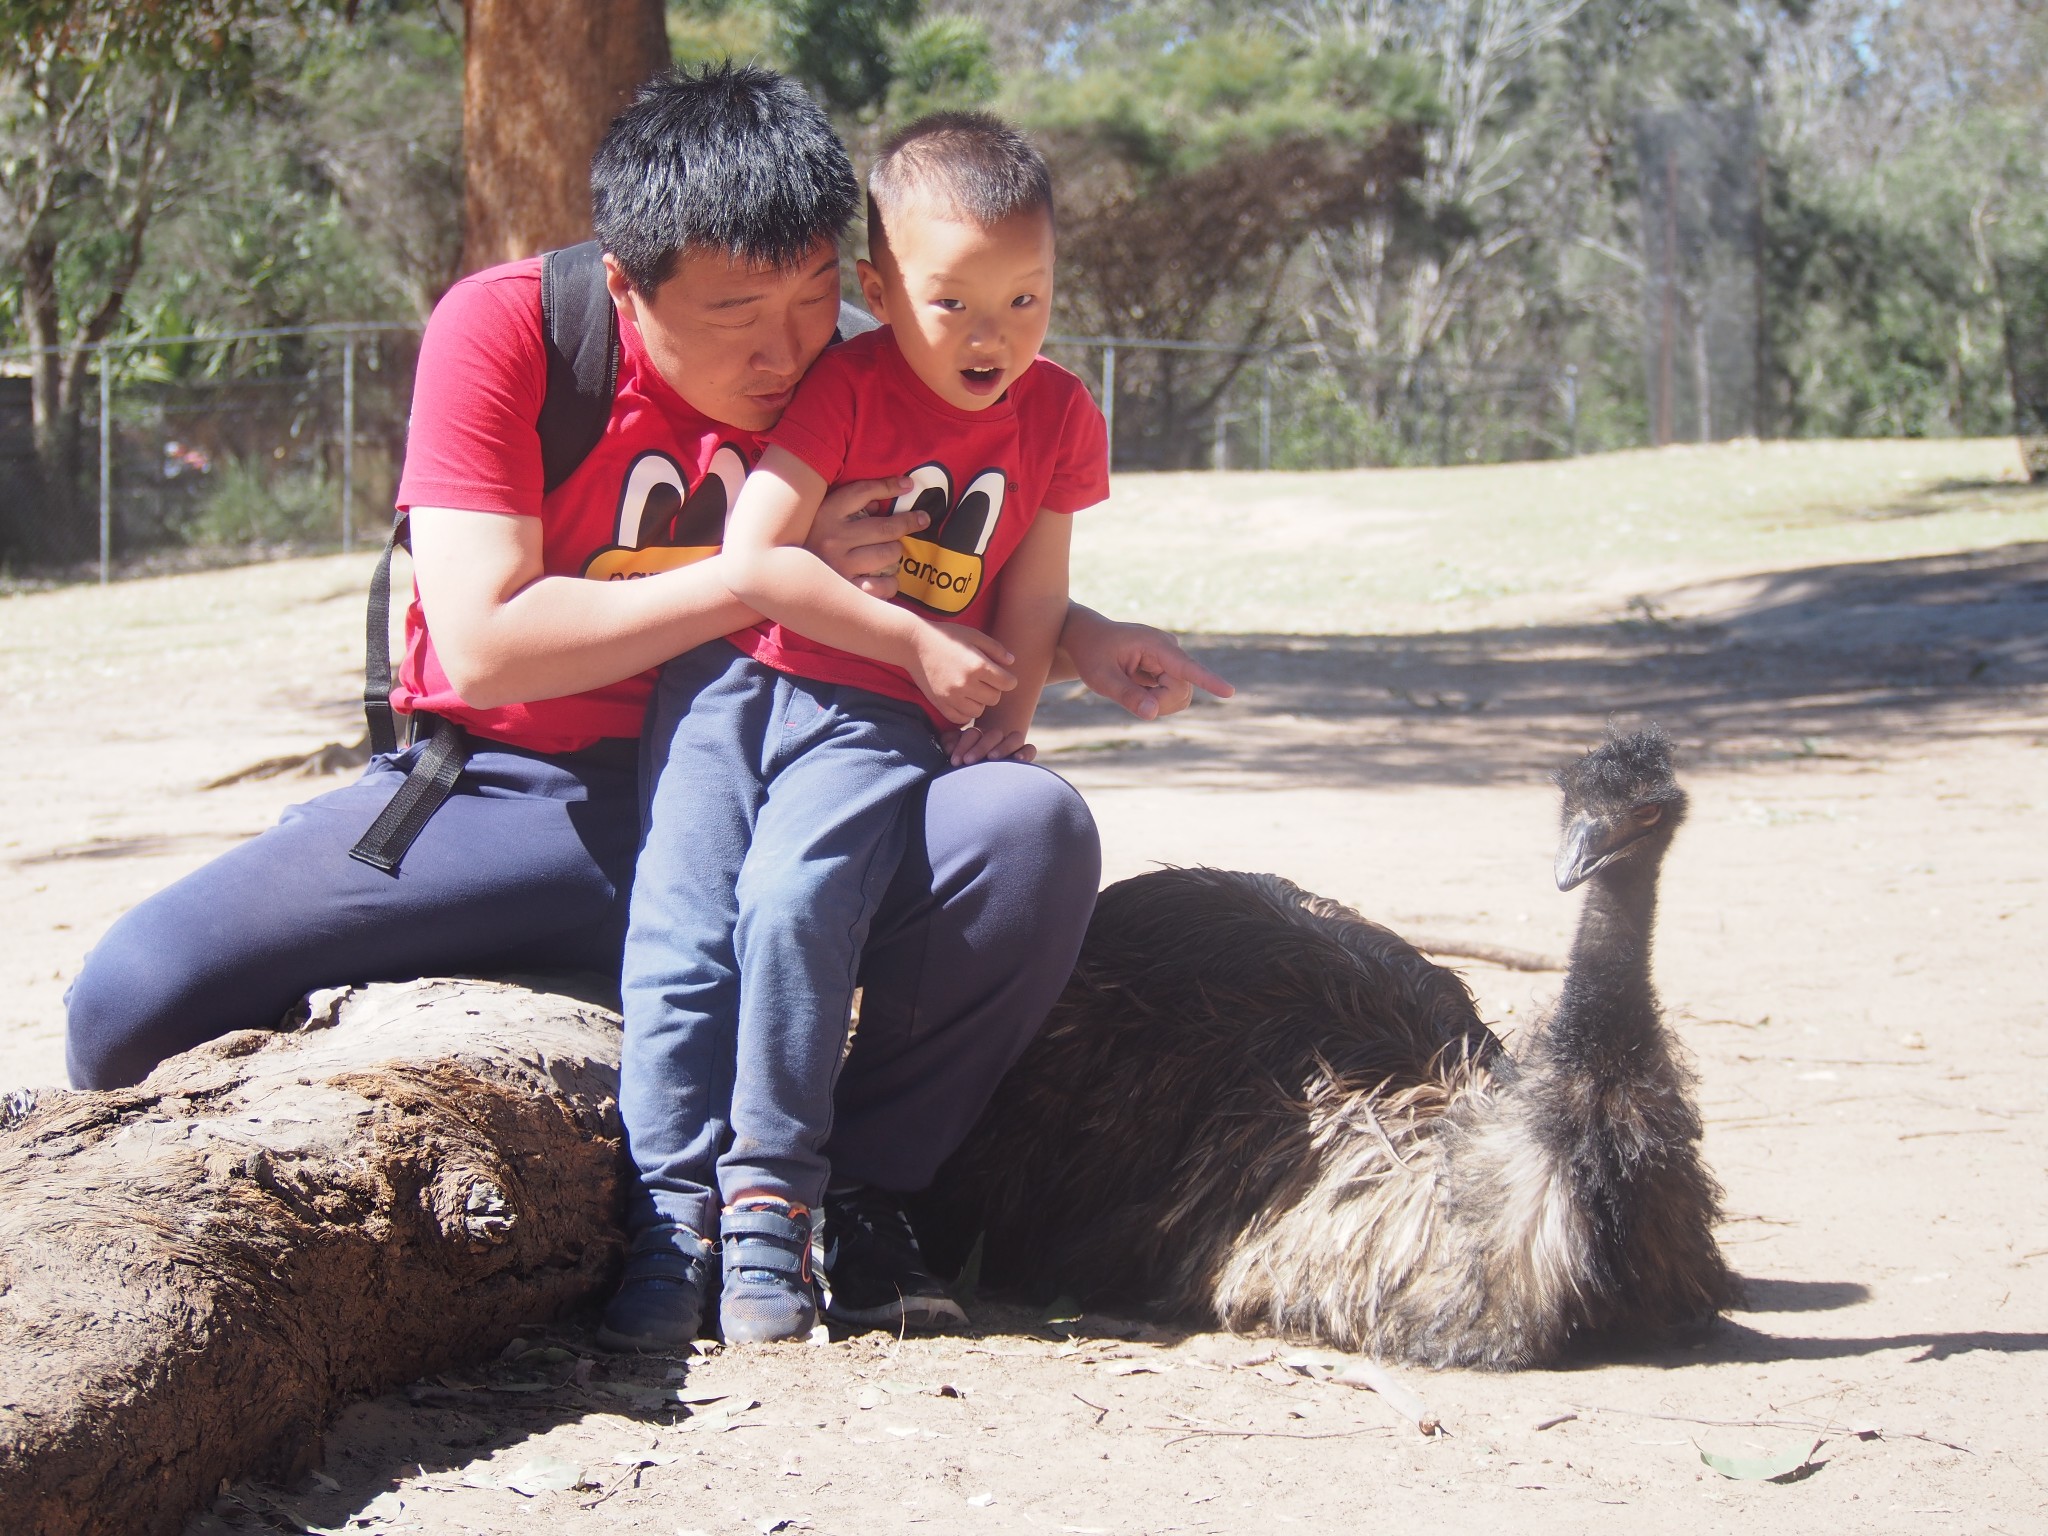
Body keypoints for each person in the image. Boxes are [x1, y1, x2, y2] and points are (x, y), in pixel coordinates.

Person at [61, 65, 1228, 1326]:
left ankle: (864, 1190)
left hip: (785, 772)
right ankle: (582, 973)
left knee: (1023, 830)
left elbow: (929, 609)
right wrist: (764, 574)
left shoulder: (872, 366)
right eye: (736, 312)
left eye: (814, 295)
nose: (788, 350)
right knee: (130, 1003)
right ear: (628, 284)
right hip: (519, 793)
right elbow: (490, 640)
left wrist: (1088, 640)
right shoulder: (511, 330)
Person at [611, 113, 1098, 1346]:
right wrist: (914, 642)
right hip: (728, 692)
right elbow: (753, 557)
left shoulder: (1057, 416)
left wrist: (1007, 714)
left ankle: (774, 1195)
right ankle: (667, 1218)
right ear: (880, 292)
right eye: (953, 305)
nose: (994, 338)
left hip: (870, 720)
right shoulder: (846, 382)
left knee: (793, 907)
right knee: (681, 938)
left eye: (1026, 299)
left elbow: (1034, 593)